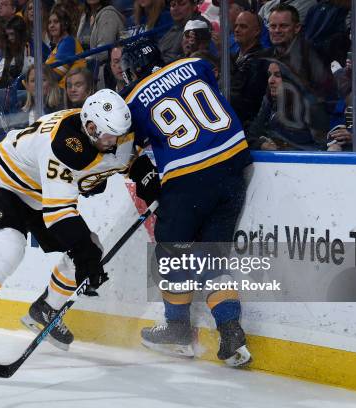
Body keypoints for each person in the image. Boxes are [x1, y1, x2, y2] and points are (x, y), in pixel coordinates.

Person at [0, 89, 132, 373]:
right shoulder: (62, 146)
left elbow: (120, 159)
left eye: (118, 135)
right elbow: (59, 215)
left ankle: (47, 309)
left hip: (39, 192)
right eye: (109, 135)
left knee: (91, 247)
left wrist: (142, 171)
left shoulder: (100, 135)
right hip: (4, 186)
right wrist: (84, 257)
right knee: (8, 248)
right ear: (90, 127)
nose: (114, 142)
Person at [120, 39, 252, 367]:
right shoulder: (195, 64)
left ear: (131, 70)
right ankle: (231, 333)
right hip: (234, 168)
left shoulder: (134, 98)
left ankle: (178, 330)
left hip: (188, 180)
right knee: (213, 258)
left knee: (171, 251)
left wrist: (147, 178)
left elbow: (127, 151)